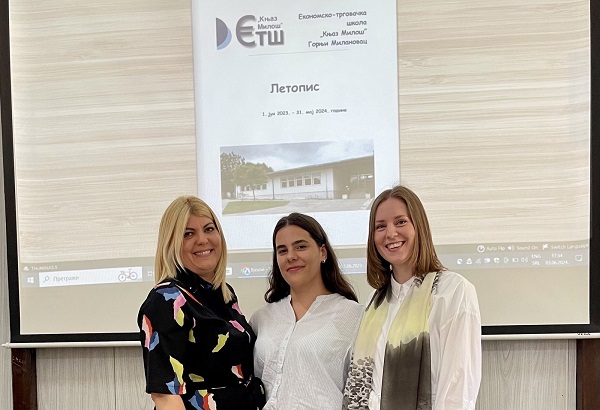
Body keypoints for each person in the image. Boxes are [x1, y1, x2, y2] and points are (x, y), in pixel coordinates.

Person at [343, 186, 481, 410]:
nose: (390, 233)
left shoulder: (452, 291)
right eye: (380, 226)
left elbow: (458, 390)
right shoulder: (374, 302)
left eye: (400, 222)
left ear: (419, 227)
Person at [137, 196, 264, 410]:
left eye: (209, 229)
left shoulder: (223, 293)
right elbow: (165, 395)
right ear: (172, 243)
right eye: (188, 234)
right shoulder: (166, 299)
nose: (203, 240)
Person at [250, 212, 364, 409]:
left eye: (300, 247)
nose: (291, 256)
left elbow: (362, 393)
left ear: (323, 252)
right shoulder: (261, 319)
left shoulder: (355, 316)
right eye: (282, 250)